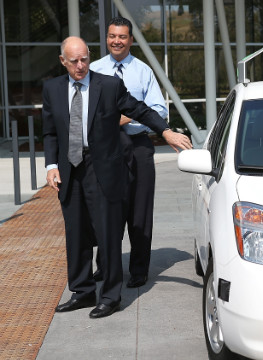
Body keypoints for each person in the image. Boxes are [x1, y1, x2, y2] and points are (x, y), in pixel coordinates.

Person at [43, 36, 192, 318]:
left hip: (102, 168)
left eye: (84, 58)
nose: (80, 65)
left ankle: (110, 297)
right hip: (70, 169)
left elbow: (140, 109)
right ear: (63, 61)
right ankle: (82, 292)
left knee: (108, 233)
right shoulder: (52, 89)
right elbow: (50, 132)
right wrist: (51, 165)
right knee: (76, 233)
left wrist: (165, 131)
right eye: (73, 61)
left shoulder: (108, 85)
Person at [91, 16, 167, 288]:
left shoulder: (143, 71)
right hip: (104, 150)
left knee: (139, 212)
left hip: (138, 148)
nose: (117, 41)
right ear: (107, 38)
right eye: (112, 36)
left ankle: (138, 269)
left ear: (131, 40)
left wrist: (123, 118)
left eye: (122, 37)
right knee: (107, 209)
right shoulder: (94, 69)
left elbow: (159, 110)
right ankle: (105, 266)